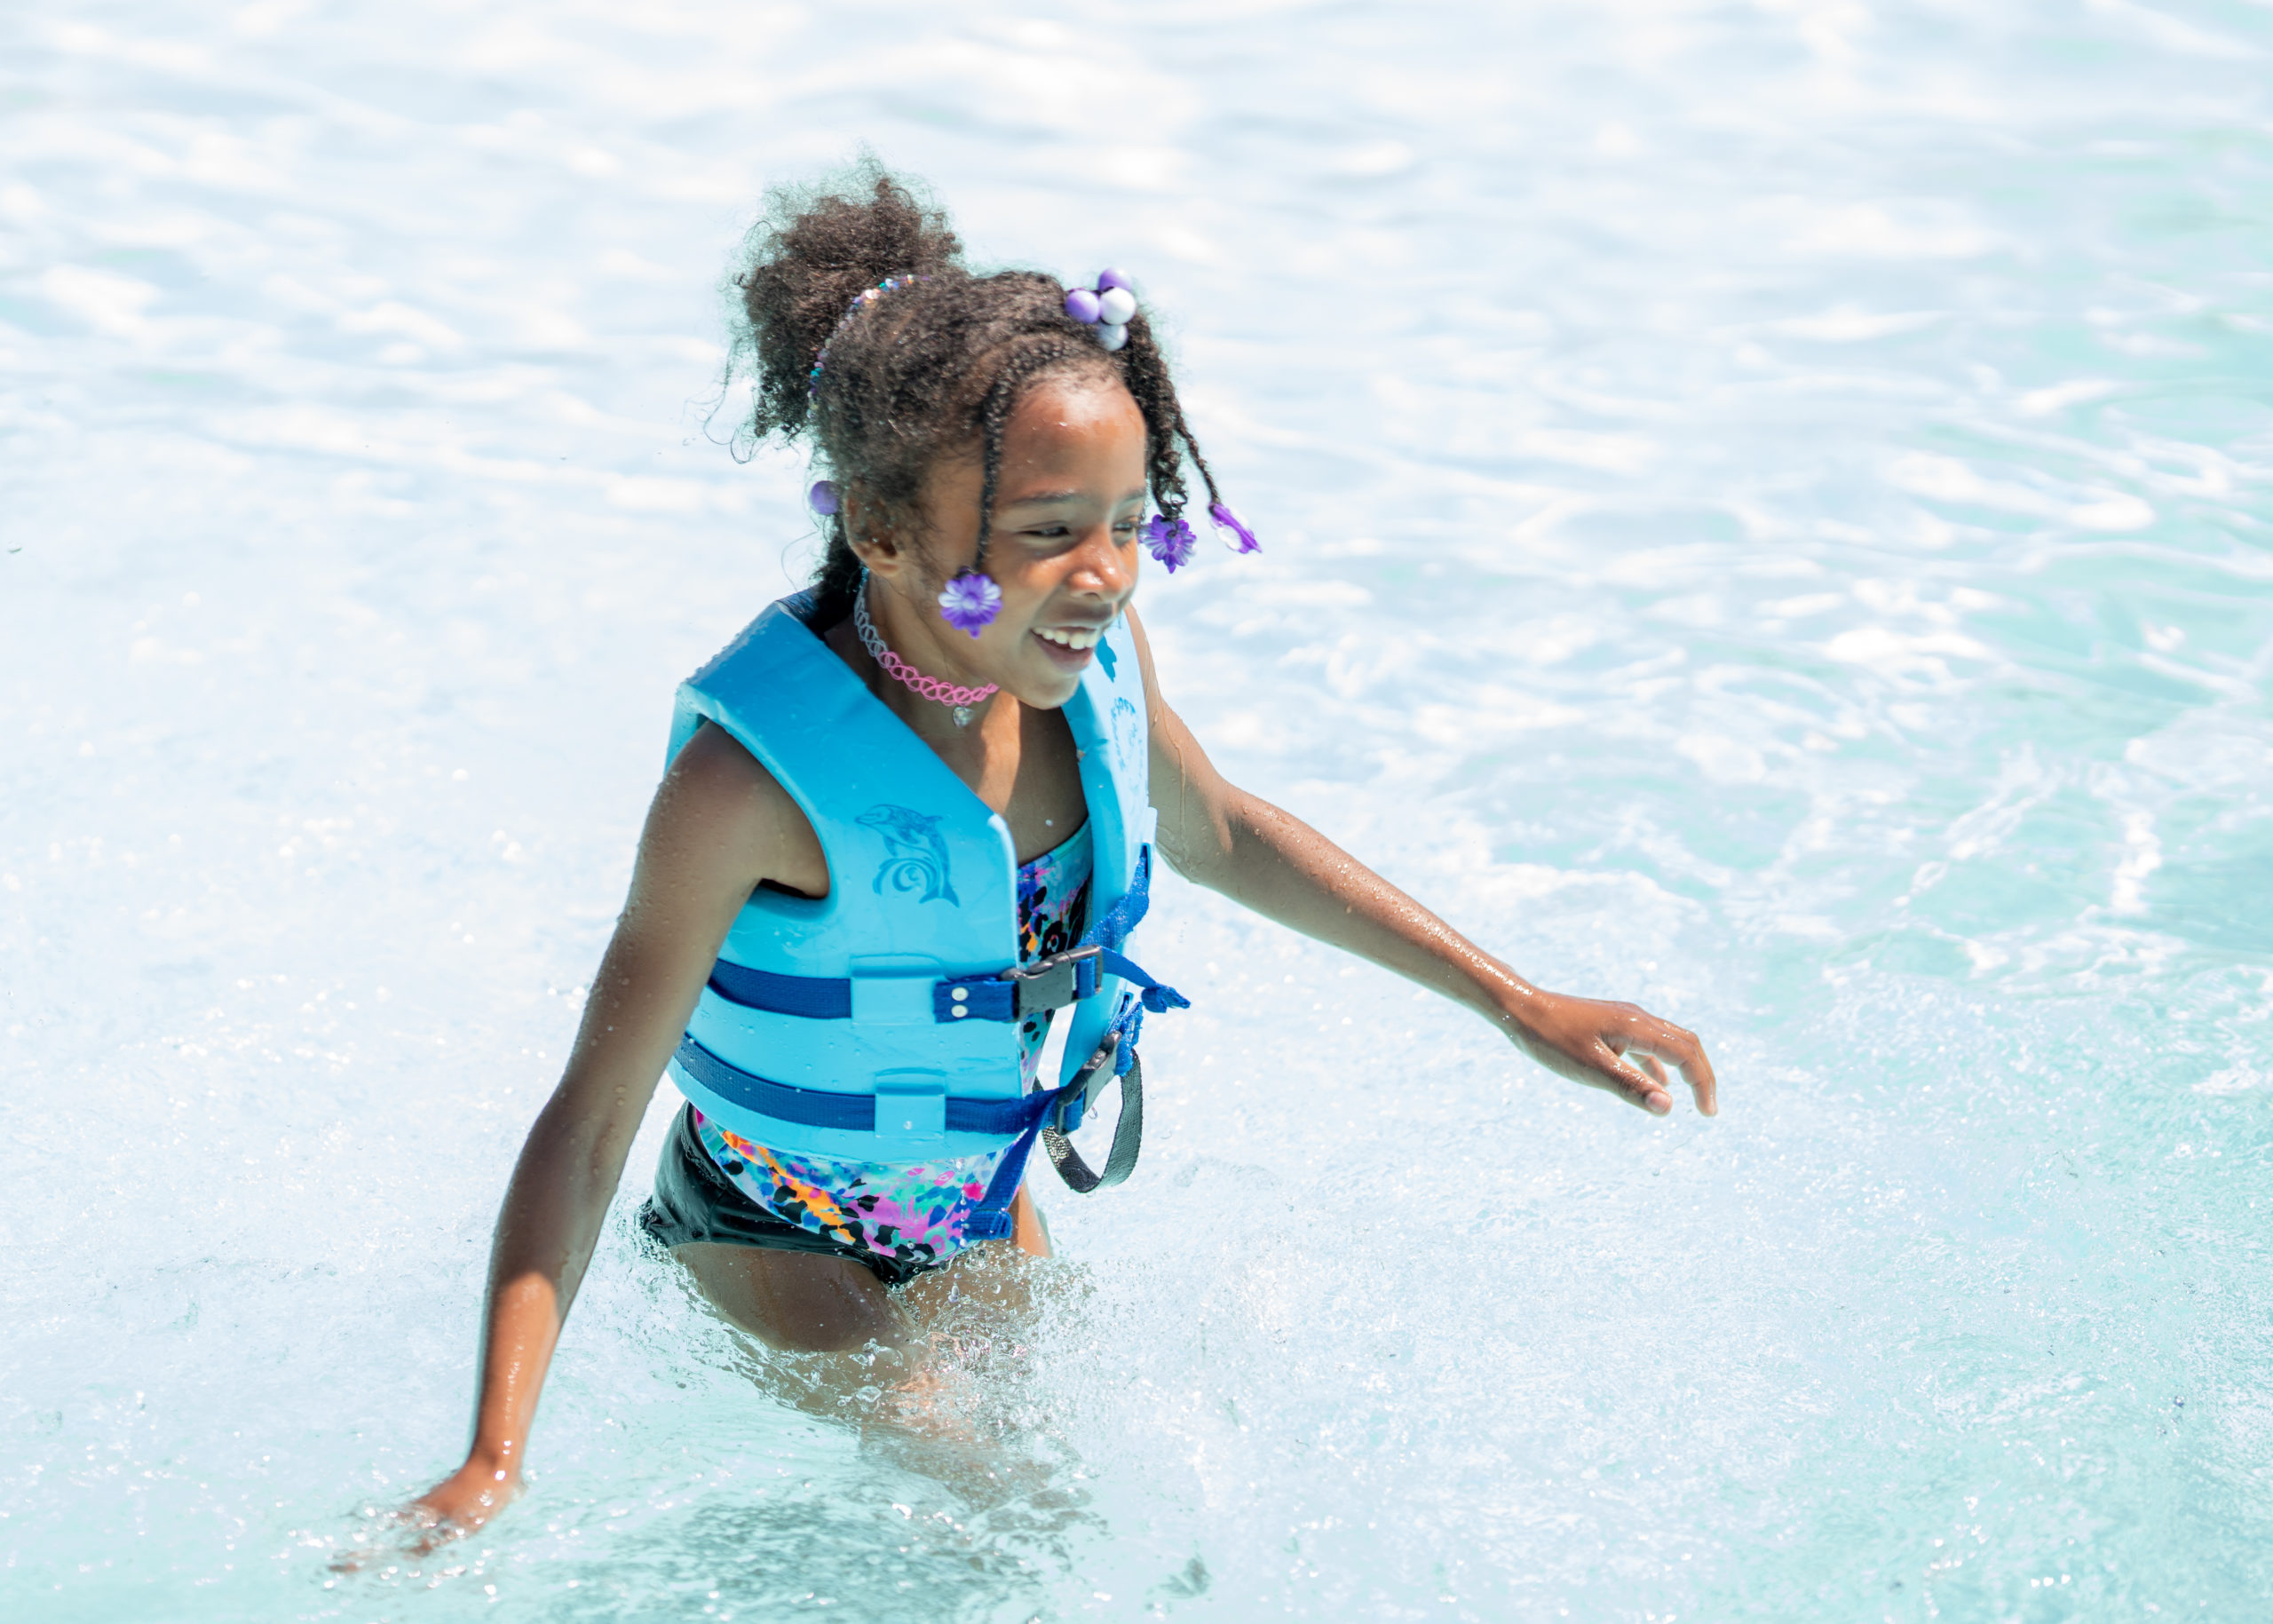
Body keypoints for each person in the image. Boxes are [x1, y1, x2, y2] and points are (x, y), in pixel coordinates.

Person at [407, 165, 1717, 1541]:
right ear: (882, 529)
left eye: (1131, 525)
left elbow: (1220, 831)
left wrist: (1513, 999)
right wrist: (493, 1458)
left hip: (974, 1206)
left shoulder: (1085, 674)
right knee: (1003, 1493)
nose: (1107, 575)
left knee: (1113, 1494)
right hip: (763, 1227)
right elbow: (591, 1119)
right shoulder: (751, 788)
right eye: (1050, 534)